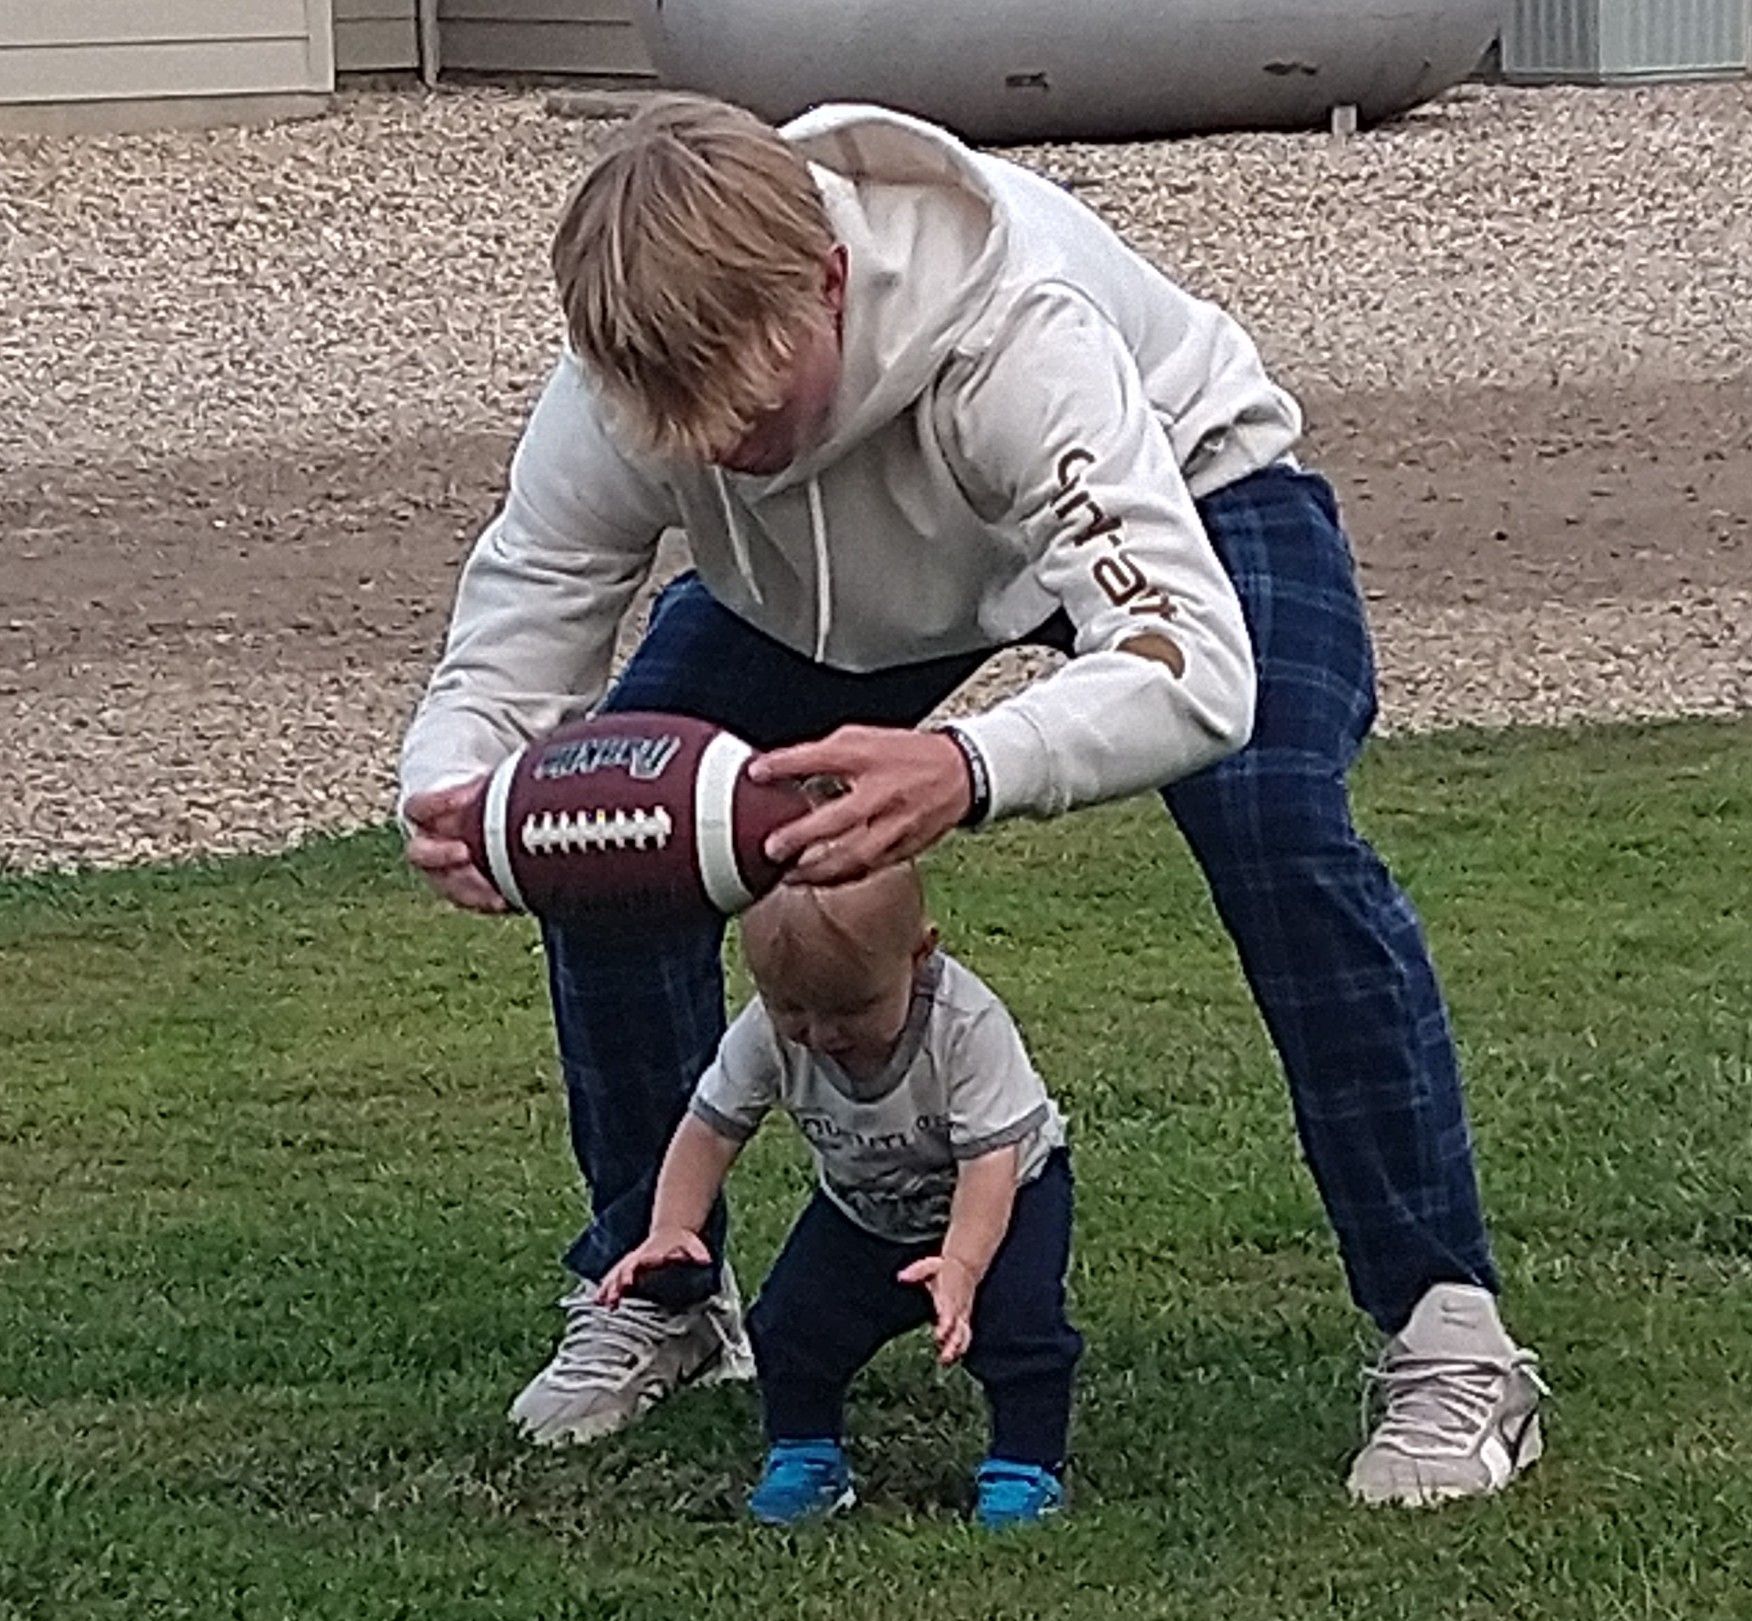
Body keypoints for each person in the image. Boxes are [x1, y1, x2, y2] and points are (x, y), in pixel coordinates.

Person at [399, 95, 1547, 1508]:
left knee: (1273, 817)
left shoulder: (1015, 327)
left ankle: (1451, 1336)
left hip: (1193, 494)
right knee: (610, 828)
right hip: (829, 603)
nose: (729, 451)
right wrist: (451, 778)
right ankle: (664, 1285)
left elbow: (1188, 673)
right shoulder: (626, 379)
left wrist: (966, 765)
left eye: (756, 418)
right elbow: (522, 618)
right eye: (692, 438)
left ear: (826, 278)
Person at [596, 865, 1079, 1529]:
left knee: (1021, 1332)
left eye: (850, 1011)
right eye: (794, 1011)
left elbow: (989, 1164)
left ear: (921, 954)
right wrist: (672, 1225)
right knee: (790, 1325)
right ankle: (806, 1454)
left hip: (1005, 1201)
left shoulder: (966, 1026)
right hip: (864, 1208)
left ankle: (1026, 1465)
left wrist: (963, 1264)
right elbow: (709, 1128)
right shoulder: (767, 1028)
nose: (821, 1036)